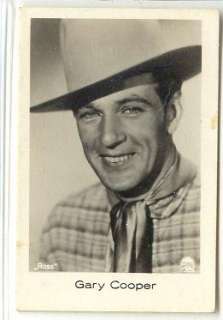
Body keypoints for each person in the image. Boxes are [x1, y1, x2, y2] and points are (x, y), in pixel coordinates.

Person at [31, 19, 201, 273]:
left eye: (130, 109)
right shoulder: (63, 225)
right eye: (90, 114)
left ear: (171, 113)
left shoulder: (210, 214)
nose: (108, 137)